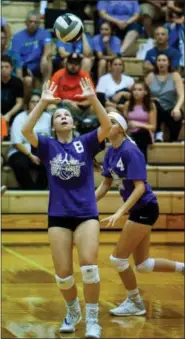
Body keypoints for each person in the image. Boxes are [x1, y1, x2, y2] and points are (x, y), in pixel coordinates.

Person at [21, 78, 112, 338]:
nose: (62, 117)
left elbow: (106, 125)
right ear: (53, 125)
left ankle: (93, 319)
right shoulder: (48, 145)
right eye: (58, 116)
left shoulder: (86, 141)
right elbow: (26, 132)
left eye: (66, 115)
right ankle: (73, 310)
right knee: (63, 275)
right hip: (58, 215)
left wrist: (93, 98)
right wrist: (43, 102)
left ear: (72, 122)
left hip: (86, 214)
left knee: (89, 267)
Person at [96, 111, 184, 317]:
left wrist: (120, 212)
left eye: (112, 122)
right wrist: (87, 203)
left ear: (121, 128)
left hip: (145, 208)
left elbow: (140, 188)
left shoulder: (130, 151)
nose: (106, 124)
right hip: (138, 209)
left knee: (118, 259)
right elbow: (106, 184)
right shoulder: (110, 152)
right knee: (143, 265)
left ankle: (135, 302)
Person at [8, 92, 51, 190]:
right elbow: (16, 143)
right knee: (20, 164)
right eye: (33, 102)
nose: (36, 104)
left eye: (38, 101)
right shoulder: (20, 118)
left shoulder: (48, 118)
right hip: (21, 151)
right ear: (28, 104)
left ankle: (40, 190)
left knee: (50, 162)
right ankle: (30, 190)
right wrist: (30, 155)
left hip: (42, 150)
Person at [11, 10, 52, 102]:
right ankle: (24, 103)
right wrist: (24, 69)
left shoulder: (44, 33)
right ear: (26, 23)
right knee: (27, 80)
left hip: (38, 64)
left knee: (48, 61)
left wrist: (44, 57)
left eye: (36, 22)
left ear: (39, 23)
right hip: (23, 65)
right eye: (30, 21)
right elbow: (16, 59)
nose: (33, 24)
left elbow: (48, 49)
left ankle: (45, 93)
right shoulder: (17, 37)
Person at [145, 53, 184, 142]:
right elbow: (144, 93)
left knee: (178, 114)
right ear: (156, 63)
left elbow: (182, 95)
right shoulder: (151, 76)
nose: (161, 62)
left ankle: (173, 140)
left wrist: (177, 108)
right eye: (159, 60)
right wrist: (151, 100)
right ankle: (158, 134)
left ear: (168, 63)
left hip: (170, 108)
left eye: (164, 60)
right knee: (155, 104)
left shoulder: (175, 75)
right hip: (154, 108)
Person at [123, 81, 156, 162]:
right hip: (130, 133)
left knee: (141, 133)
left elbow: (153, 127)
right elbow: (125, 123)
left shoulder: (150, 105)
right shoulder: (127, 104)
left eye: (140, 90)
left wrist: (138, 125)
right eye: (134, 90)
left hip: (145, 134)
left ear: (145, 92)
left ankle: (142, 161)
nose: (136, 92)